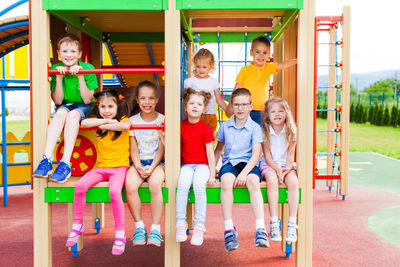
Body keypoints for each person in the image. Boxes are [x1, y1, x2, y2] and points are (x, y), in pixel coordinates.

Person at [65, 89, 131, 255]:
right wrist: (103, 121)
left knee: (115, 192)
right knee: (80, 186)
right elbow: (85, 123)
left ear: (118, 106)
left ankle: (120, 234)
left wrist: (105, 123)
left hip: (119, 167)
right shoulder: (96, 119)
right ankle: (77, 224)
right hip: (101, 168)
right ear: (98, 107)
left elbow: (125, 126)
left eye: (110, 106)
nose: (106, 110)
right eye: (103, 106)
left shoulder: (123, 119)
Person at [32, 33, 98, 183]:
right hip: (64, 105)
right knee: (60, 114)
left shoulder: (88, 68)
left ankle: (65, 163)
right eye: (65, 51)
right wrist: (59, 78)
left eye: (73, 52)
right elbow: (58, 100)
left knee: (73, 115)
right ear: (58, 53)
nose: (69, 55)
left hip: (84, 106)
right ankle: (46, 160)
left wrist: (80, 76)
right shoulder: (56, 69)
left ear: (80, 54)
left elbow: (88, 99)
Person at [214, 88, 269, 252]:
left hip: (248, 164)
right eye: (237, 104)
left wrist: (244, 173)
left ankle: (260, 228)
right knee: (226, 181)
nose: (240, 108)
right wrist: (212, 171)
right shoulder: (225, 126)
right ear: (232, 106)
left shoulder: (255, 128)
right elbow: (218, 150)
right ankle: (229, 228)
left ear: (251, 106)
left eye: (244, 104)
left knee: (253, 182)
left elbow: (255, 155)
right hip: (230, 163)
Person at [125, 80, 165, 247]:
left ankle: (155, 229)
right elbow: (133, 148)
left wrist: (153, 166)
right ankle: (139, 227)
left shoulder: (163, 120)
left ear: (157, 100)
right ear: (137, 100)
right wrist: (139, 165)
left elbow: (162, 148)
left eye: (151, 98)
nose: (147, 102)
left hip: (158, 162)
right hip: (139, 162)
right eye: (143, 98)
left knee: (155, 184)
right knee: (130, 185)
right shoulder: (131, 121)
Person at [176, 88, 216, 246]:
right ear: (185, 106)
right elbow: (173, 148)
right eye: (191, 103)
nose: (195, 106)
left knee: (199, 185)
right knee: (183, 184)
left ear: (204, 109)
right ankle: (180, 222)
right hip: (186, 165)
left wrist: (212, 175)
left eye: (199, 104)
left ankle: (199, 225)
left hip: (202, 166)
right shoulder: (180, 126)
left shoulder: (206, 129)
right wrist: (161, 136)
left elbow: (211, 154)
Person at [226, 36, 297, 125]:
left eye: (264, 52)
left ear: (268, 54)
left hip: (261, 110)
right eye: (257, 52)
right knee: (243, 133)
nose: (261, 56)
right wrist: (230, 106)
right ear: (251, 53)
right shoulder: (245, 70)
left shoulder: (268, 67)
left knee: (260, 134)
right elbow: (236, 88)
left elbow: (282, 65)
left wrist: (298, 60)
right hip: (245, 109)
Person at [261, 97, 299, 243]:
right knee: (272, 180)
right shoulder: (265, 132)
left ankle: (291, 223)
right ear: (268, 116)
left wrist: (287, 169)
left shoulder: (291, 131)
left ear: (286, 113)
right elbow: (267, 157)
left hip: (286, 165)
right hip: (269, 165)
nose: (277, 114)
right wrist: (277, 169)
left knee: (294, 182)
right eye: (273, 111)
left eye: (281, 111)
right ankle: (274, 222)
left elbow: (290, 154)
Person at [184, 48, 229, 131]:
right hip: (195, 115)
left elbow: (218, 99)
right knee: (195, 138)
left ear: (211, 66)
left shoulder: (213, 82)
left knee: (208, 139)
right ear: (194, 65)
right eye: (198, 67)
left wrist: (227, 109)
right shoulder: (189, 82)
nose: (201, 70)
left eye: (204, 67)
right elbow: (186, 100)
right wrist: (186, 116)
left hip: (210, 115)